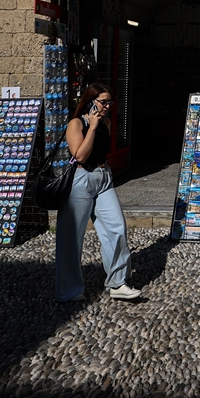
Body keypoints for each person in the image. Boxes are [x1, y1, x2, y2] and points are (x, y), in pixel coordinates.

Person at [55, 82, 142, 302]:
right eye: (103, 102)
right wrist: (92, 127)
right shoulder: (76, 123)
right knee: (72, 236)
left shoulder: (107, 123)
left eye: (110, 102)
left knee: (117, 227)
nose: (107, 106)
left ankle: (118, 283)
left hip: (103, 178)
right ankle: (69, 290)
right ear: (90, 101)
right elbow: (80, 156)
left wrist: (99, 125)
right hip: (81, 179)